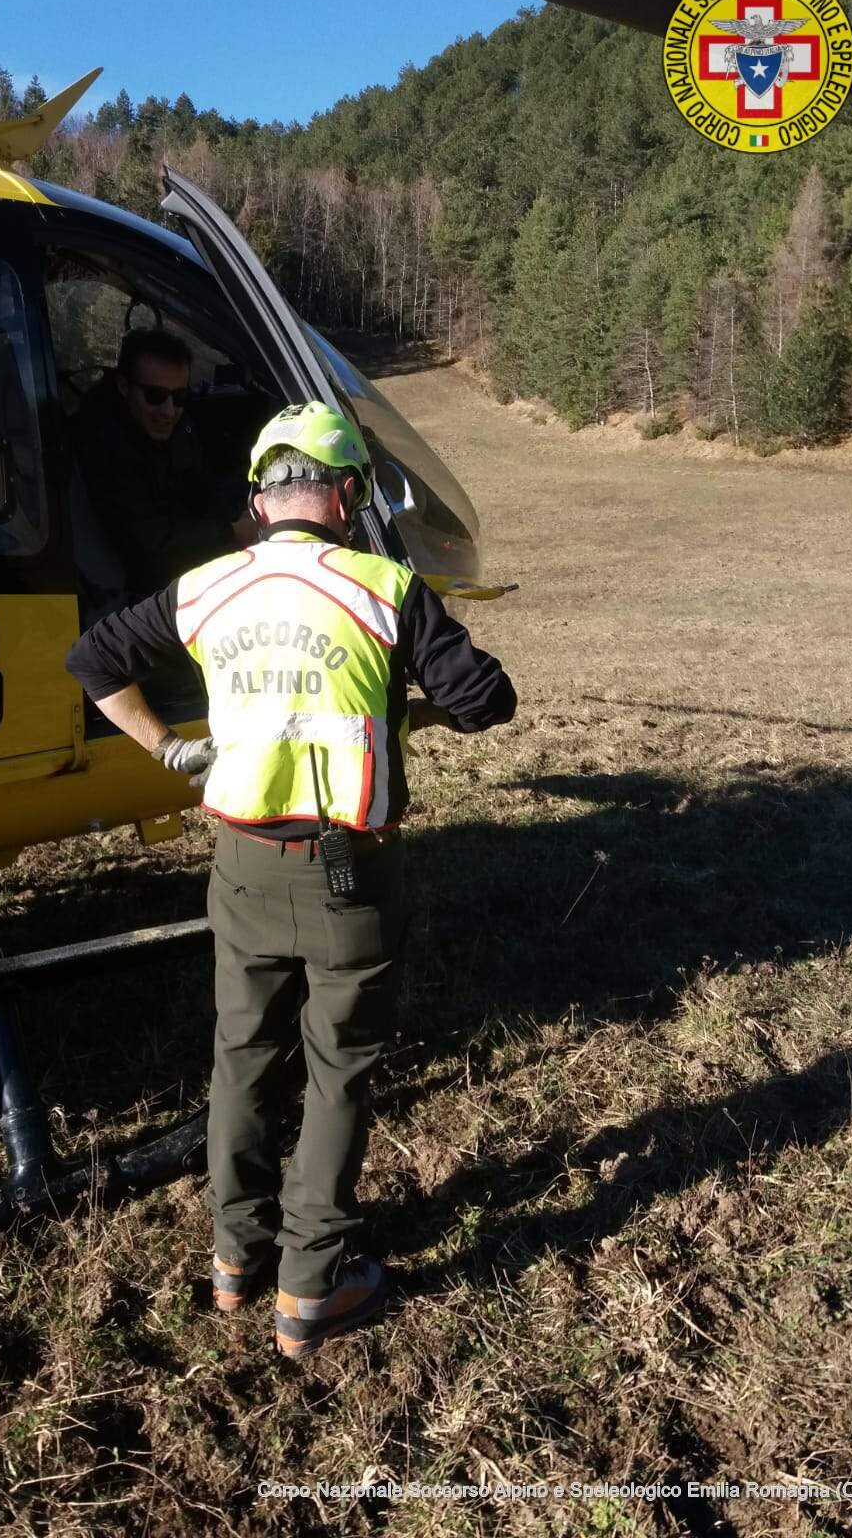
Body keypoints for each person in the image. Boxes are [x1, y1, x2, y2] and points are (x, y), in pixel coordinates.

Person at [65, 401, 516, 1357]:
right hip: (349, 874)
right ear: (348, 495)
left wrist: (168, 751)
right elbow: (487, 701)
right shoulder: (386, 587)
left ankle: (236, 1259)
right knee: (339, 1067)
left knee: (241, 1056)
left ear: (260, 499)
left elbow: (93, 658)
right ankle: (313, 1284)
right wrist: (406, 719)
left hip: (240, 866)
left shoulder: (208, 587)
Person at [72, 328, 251, 607]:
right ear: (123, 387)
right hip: (125, 598)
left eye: (180, 397)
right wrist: (231, 533)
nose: (169, 411)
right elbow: (149, 547)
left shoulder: (175, 427)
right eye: (155, 396)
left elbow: (200, 487)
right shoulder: (102, 444)